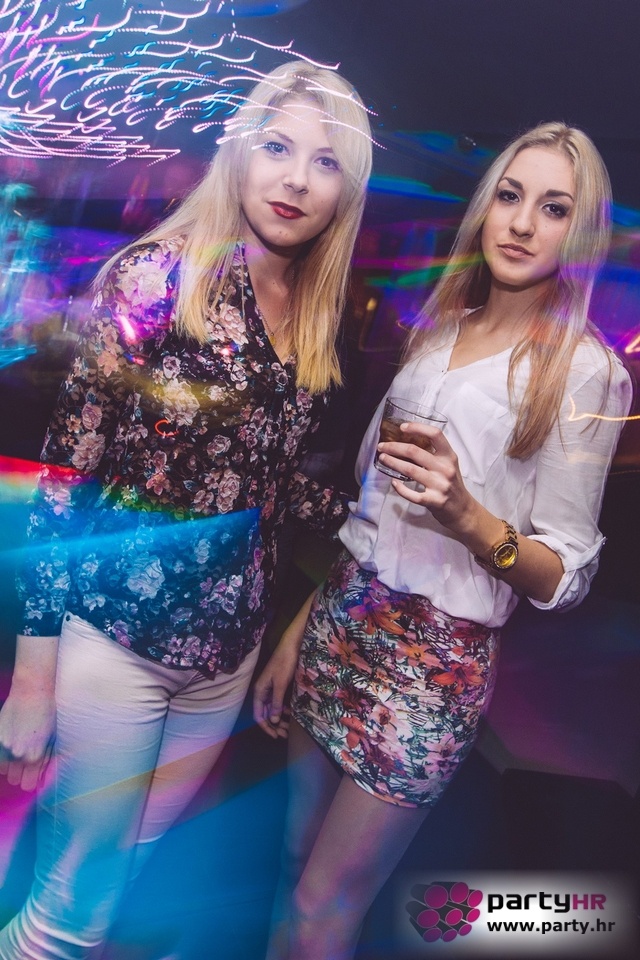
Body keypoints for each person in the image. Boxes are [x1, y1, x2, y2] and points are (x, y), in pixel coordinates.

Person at [0, 59, 372, 960]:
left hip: (222, 665)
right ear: (240, 153)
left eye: (325, 162)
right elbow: (65, 479)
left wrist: (381, 513)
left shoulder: (313, 313)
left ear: (346, 189)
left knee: (122, 881)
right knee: (67, 919)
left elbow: (265, 483)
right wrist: (33, 680)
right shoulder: (155, 278)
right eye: (277, 148)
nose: (296, 178)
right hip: (113, 647)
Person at [254, 122, 633, 960]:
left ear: (580, 235)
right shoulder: (439, 330)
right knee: (290, 855)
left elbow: (562, 575)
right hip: (344, 616)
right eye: (510, 196)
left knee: (323, 904)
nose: (522, 223)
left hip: (435, 664)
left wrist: (468, 515)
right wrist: (299, 628)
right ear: (484, 207)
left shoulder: (585, 371)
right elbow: (373, 513)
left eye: (554, 208)